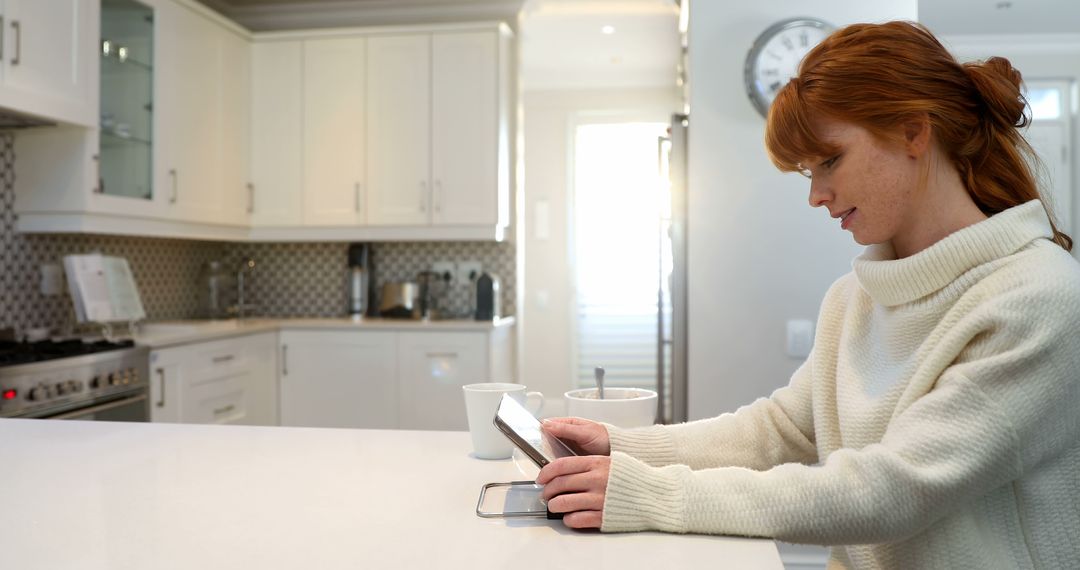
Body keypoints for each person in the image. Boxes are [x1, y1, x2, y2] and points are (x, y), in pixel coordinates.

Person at [535, 20, 1080, 569]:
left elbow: (890, 490)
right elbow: (781, 429)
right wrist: (623, 446)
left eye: (830, 161)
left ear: (914, 132)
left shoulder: (1037, 296)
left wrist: (651, 494)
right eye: (807, 173)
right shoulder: (854, 299)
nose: (817, 196)